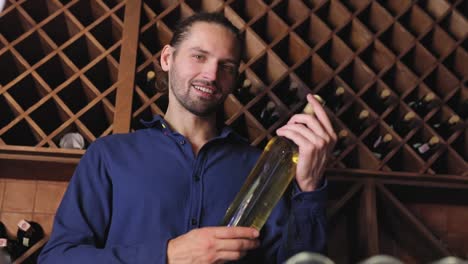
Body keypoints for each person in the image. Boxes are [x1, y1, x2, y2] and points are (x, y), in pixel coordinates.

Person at [38, 12, 336, 264]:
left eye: (227, 66)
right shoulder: (109, 155)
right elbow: (57, 258)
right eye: (199, 56)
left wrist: (309, 188)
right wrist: (166, 254)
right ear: (167, 58)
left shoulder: (261, 166)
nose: (211, 74)